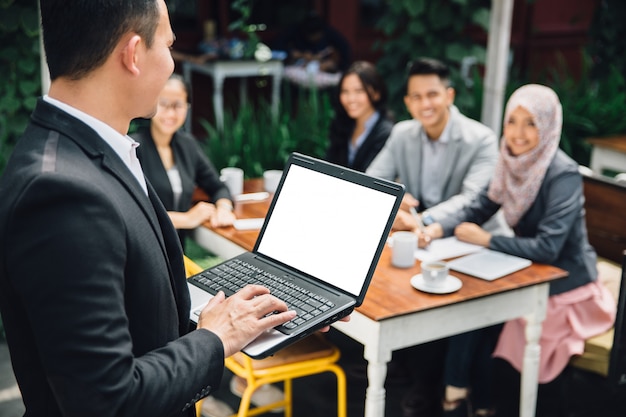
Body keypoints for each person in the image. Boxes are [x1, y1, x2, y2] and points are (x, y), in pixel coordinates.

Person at [0, 1, 325, 416]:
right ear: (133, 54)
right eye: (169, 46)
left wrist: (244, 321)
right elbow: (106, 400)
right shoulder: (58, 192)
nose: (173, 65)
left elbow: (139, 317)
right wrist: (216, 338)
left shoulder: (95, 150)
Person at [418, 84, 616, 417]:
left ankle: (468, 397)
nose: (518, 133)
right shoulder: (510, 160)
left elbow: (549, 247)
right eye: (512, 121)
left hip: (567, 279)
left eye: (531, 123)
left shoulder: (562, 173)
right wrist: (437, 229)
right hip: (529, 268)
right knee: (475, 308)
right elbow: (481, 206)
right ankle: (475, 401)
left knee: (484, 312)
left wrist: (487, 240)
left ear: (548, 125)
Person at [366, 57, 509, 238]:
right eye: (417, 97)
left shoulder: (482, 139)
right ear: (408, 103)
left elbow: (471, 199)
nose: (425, 104)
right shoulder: (401, 134)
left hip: (473, 239)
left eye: (432, 95)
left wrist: (420, 219)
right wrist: (395, 200)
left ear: (449, 96)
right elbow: (372, 182)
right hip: (420, 238)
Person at [133, 74, 235, 250]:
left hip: (178, 253)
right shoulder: (133, 148)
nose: (171, 113)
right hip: (145, 252)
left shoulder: (187, 145)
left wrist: (223, 208)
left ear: (187, 107)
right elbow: (134, 214)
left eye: (178, 105)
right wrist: (186, 219)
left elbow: (218, 187)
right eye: (164, 103)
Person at [324, 60, 393, 172]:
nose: (351, 99)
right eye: (345, 91)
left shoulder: (386, 133)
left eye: (359, 91)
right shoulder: (341, 124)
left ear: (376, 94)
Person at [274, 11, 351, 89]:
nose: (313, 38)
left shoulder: (328, 32)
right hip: (300, 72)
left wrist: (333, 64)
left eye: (316, 35)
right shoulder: (295, 30)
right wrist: (297, 54)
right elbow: (278, 46)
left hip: (322, 71)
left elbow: (345, 49)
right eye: (311, 35)